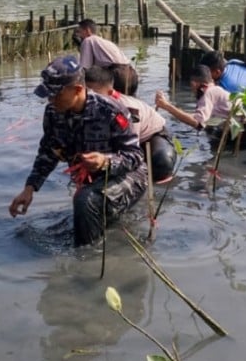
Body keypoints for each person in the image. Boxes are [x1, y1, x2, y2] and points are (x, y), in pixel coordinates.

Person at [9, 55, 147, 246]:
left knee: (85, 201)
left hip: (129, 176)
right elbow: (49, 151)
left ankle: (86, 261)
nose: (51, 100)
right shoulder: (53, 113)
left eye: (56, 94)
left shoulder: (110, 111)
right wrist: (29, 188)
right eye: (48, 95)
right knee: (85, 208)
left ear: (78, 90)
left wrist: (106, 162)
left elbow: (135, 157)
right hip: (89, 180)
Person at [84, 65, 177, 183]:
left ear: (110, 93)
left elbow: (132, 145)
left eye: (95, 94)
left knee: (161, 161)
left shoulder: (127, 109)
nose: (90, 98)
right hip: (123, 139)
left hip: (151, 136)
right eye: (86, 93)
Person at [155, 64, 246, 150]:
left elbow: (198, 123)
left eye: (191, 85)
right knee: (212, 130)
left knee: (212, 134)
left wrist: (167, 106)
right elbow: (201, 118)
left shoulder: (208, 93)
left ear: (195, 83)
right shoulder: (217, 89)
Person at [73, 18, 139, 95]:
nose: (79, 35)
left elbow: (84, 69)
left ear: (87, 30)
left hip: (118, 75)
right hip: (131, 73)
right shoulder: (104, 42)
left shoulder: (88, 40)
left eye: (80, 32)